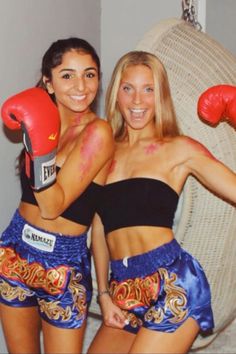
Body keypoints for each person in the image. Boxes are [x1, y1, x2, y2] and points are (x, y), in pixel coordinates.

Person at [88, 51, 236, 354]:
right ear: (116, 93)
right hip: (122, 290)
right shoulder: (103, 152)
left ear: (161, 96)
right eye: (128, 88)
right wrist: (103, 294)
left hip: (172, 285)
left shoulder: (179, 149)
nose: (137, 101)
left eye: (148, 89)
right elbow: (100, 229)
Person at [0, 37, 114, 354]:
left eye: (90, 74)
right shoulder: (43, 119)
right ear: (48, 83)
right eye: (67, 75)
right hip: (15, 249)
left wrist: (38, 147)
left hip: (62, 262)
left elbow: (52, 206)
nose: (81, 85)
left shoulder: (98, 132)